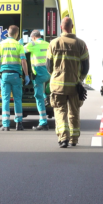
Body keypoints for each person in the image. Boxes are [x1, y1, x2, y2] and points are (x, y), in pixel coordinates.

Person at [46, 17, 89, 148]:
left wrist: (55, 76)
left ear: (61, 27)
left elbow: (48, 65)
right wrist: (80, 79)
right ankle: (74, 139)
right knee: (74, 112)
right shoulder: (81, 44)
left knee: (60, 111)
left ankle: (63, 138)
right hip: (75, 86)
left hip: (57, 86)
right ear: (72, 27)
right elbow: (86, 66)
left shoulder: (53, 43)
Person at [0, 25, 30, 131]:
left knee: (5, 99)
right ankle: (19, 124)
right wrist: (26, 75)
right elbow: (23, 61)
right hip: (16, 76)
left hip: (4, 74)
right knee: (17, 99)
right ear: (16, 34)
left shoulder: (0, 44)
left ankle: (6, 125)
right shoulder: (19, 45)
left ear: (8, 33)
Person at [24, 29, 50, 131]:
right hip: (49, 73)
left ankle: (43, 122)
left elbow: (21, 51)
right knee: (43, 91)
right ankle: (46, 96)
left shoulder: (32, 44)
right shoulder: (48, 44)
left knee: (37, 96)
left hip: (39, 74)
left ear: (33, 37)